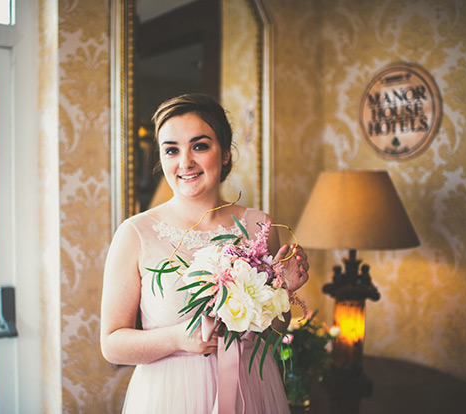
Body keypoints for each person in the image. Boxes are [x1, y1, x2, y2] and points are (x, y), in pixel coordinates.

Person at [100, 93, 309, 413]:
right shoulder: (135, 234)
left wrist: (284, 292)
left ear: (225, 154)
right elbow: (112, 345)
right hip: (170, 396)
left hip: (251, 389)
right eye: (172, 149)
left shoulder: (259, 224)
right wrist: (178, 338)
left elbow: (271, 334)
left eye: (200, 146)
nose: (185, 162)